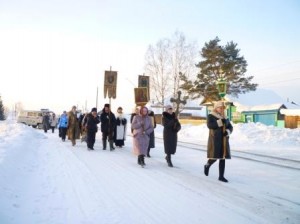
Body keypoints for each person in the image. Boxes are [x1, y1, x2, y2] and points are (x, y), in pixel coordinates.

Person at [204, 101, 233, 183]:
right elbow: (210, 125)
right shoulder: (211, 116)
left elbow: (230, 126)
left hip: (224, 139)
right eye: (220, 108)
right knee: (215, 157)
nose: (221, 109)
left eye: (223, 108)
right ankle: (207, 165)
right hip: (215, 139)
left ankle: (221, 176)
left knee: (223, 158)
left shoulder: (225, 116)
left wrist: (227, 131)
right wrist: (220, 122)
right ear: (216, 108)